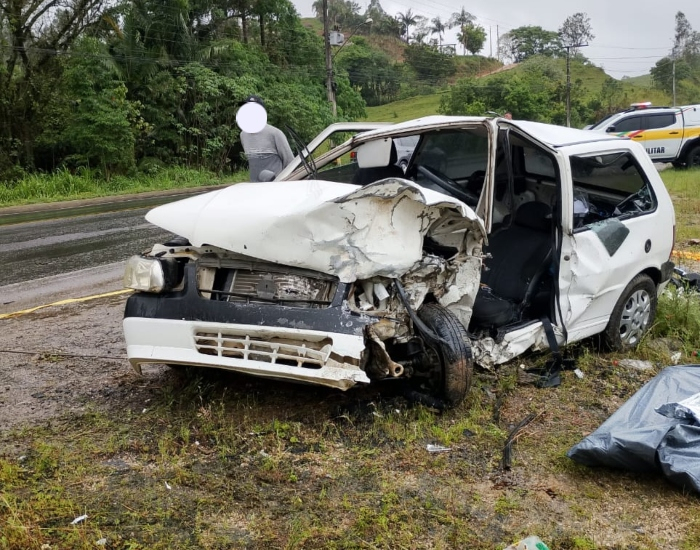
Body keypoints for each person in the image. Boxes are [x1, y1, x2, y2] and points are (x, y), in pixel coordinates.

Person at [237, 95, 294, 182]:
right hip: (254, 187)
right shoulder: (243, 135)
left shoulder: (275, 133)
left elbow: (291, 163)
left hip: (275, 186)